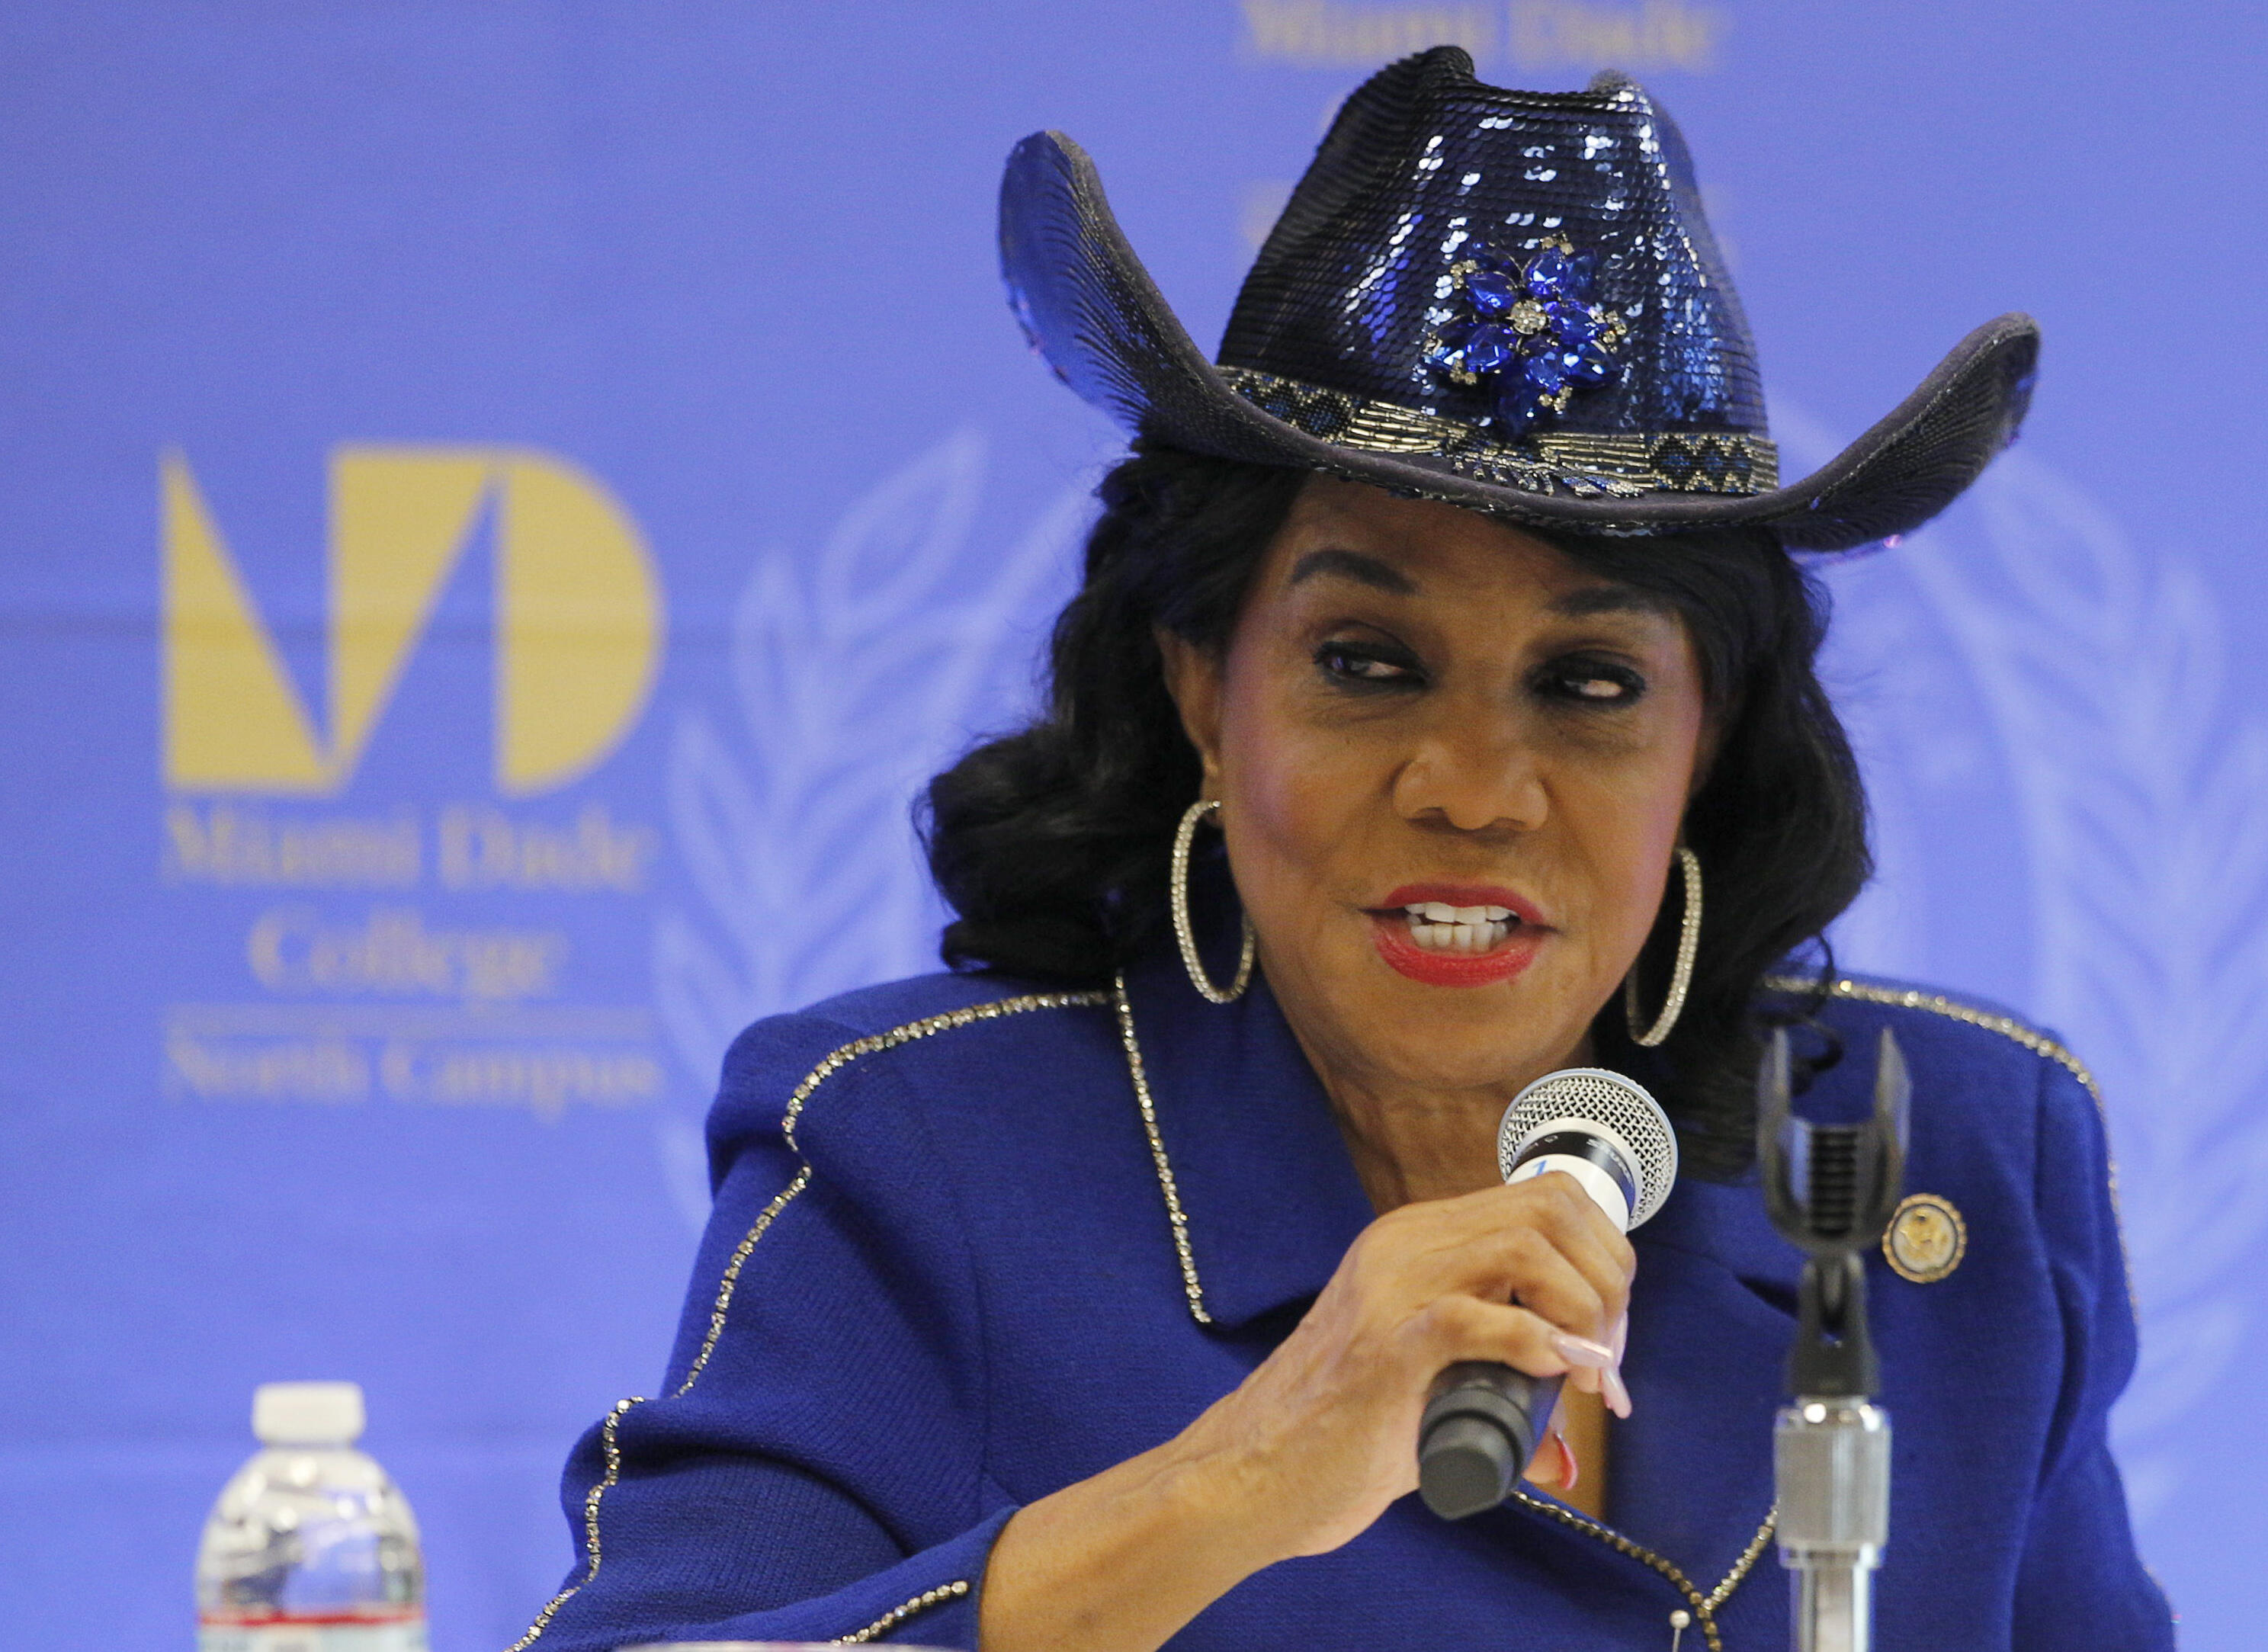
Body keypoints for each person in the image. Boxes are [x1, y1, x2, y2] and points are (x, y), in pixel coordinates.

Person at [508, 47, 2171, 1652]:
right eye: (1366, 664)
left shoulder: (1956, 1155)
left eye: (1589, 686)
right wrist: (1245, 1473)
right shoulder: (918, 1156)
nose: (1472, 786)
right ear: (1202, 696)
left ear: (1705, 741)